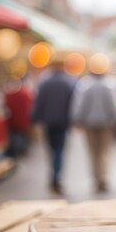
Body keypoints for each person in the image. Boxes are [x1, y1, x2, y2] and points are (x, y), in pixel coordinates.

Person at [71, 69, 116, 192]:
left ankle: (96, 177)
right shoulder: (110, 84)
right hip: (106, 123)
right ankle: (103, 177)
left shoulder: (84, 84)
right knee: (104, 151)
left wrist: (78, 118)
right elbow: (115, 103)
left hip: (90, 124)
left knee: (93, 152)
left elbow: (79, 104)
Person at [31, 60, 74, 194]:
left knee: (51, 150)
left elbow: (39, 102)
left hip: (48, 122)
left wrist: (35, 118)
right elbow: (72, 104)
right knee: (59, 150)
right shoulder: (67, 83)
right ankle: (57, 176)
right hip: (62, 122)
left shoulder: (45, 83)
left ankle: (53, 174)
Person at [5, 79, 33, 158]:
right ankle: (19, 151)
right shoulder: (26, 93)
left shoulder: (11, 94)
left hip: (15, 121)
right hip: (22, 121)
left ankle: (16, 152)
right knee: (20, 137)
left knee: (16, 137)